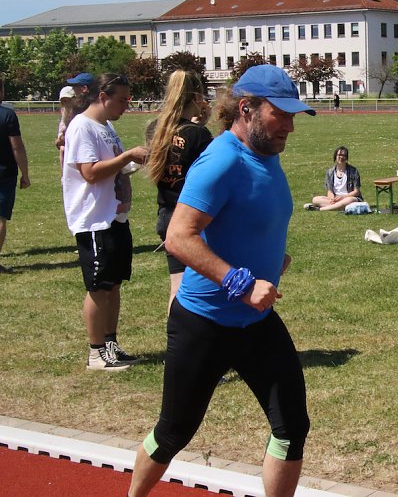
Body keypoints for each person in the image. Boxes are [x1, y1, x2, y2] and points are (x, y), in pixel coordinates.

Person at [128, 64, 313, 497]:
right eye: (280, 114)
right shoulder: (222, 159)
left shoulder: (266, 155)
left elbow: (247, 219)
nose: (289, 126)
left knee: (291, 425)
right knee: (174, 431)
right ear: (246, 109)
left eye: (293, 116)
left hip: (254, 323)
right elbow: (178, 236)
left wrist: (270, 257)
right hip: (204, 322)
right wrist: (243, 282)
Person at [62, 73, 148, 371]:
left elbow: (114, 166)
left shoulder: (106, 127)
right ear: (103, 97)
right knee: (99, 287)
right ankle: (96, 352)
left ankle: (110, 344)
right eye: (122, 100)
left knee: (113, 285)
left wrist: (132, 162)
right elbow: (90, 172)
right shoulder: (82, 127)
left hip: (114, 216)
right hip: (94, 220)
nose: (127, 106)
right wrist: (127, 156)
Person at [146, 70, 212, 312]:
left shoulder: (157, 129)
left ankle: (175, 342)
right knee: (198, 288)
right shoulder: (198, 135)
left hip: (166, 213)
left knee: (178, 285)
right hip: (191, 217)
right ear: (195, 96)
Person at [0, 75, 31, 274]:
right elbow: (17, 147)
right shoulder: (7, 115)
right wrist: (25, 174)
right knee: (0, 218)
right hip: (5, 174)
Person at [305, 146, 362, 211]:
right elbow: (330, 191)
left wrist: (343, 197)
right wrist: (332, 199)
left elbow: (356, 191)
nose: (341, 157)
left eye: (344, 155)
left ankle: (320, 209)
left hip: (348, 197)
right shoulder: (330, 172)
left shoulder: (353, 171)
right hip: (336, 198)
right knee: (315, 199)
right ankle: (338, 206)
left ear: (346, 157)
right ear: (335, 156)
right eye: (339, 155)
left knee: (349, 200)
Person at [55, 85, 78, 171]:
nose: (65, 103)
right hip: (66, 137)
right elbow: (62, 125)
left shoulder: (79, 111)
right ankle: (64, 175)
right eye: (63, 100)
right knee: (62, 149)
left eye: (67, 100)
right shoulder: (64, 110)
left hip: (75, 137)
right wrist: (60, 135)